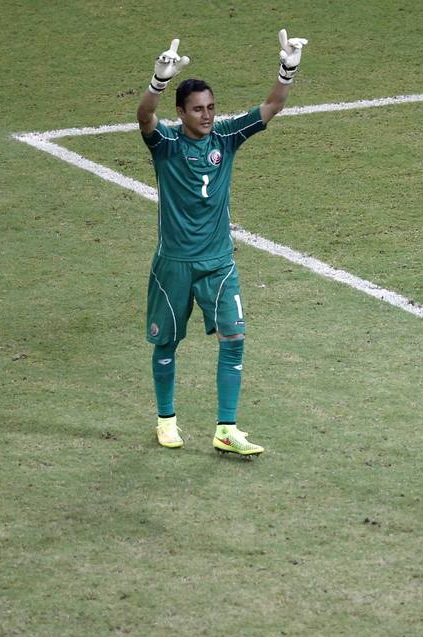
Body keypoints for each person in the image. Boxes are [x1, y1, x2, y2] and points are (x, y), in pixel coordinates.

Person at [135, 30, 309, 456]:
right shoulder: (167, 143)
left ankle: (226, 429)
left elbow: (272, 106)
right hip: (174, 264)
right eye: (198, 109)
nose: (207, 115)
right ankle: (166, 420)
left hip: (218, 263)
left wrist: (287, 70)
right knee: (166, 343)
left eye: (211, 107)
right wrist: (157, 83)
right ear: (181, 112)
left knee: (234, 339)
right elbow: (144, 118)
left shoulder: (227, 136)